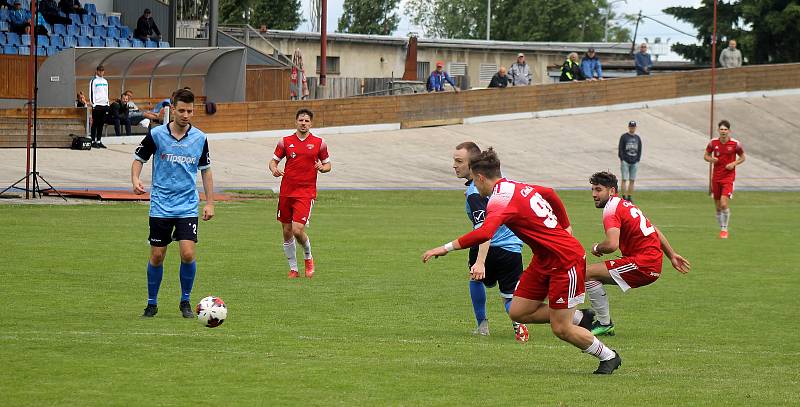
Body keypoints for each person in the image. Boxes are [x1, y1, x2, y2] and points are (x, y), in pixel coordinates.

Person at [422, 148, 622, 375]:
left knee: (561, 328)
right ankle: (579, 315)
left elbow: (485, 232)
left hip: (566, 261)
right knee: (518, 311)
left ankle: (608, 356)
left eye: (476, 185)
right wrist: (564, 225)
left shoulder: (499, 199)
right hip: (544, 259)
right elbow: (550, 192)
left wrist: (445, 248)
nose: (475, 190)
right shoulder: (516, 186)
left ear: (479, 177)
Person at [132, 88, 215, 319]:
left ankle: (185, 301)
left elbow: (206, 172)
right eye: (181, 110)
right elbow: (138, 159)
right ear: (172, 110)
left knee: (188, 254)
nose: (185, 115)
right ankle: (152, 303)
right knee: (157, 255)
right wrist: (135, 179)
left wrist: (210, 202)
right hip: (160, 205)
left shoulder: (200, 138)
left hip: (187, 205)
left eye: (189, 111)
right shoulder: (157, 135)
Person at [585, 171, 691, 336]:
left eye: (598, 190)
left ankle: (600, 323)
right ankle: (598, 321)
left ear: (611, 191)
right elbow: (653, 229)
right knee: (588, 274)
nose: (594, 194)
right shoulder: (625, 205)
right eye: (592, 190)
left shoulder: (611, 209)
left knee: (586, 273)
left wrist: (597, 248)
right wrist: (671, 255)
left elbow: (612, 245)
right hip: (648, 262)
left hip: (643, 264)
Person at [452, 142, 528, 342]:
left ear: (472, 166)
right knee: (510, 297)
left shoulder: (474, 193)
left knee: (475, 278)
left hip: (488, 248)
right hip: (512, 249)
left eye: (459, 161)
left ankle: (482, 325)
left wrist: (480, 261)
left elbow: (484, 229)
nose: (454, 165)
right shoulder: (502, 183)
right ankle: (518, 324)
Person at [269, 109, 332, 279]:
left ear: (311, 123)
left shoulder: (319, 143)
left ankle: (308, 257)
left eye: (306, 121)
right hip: (287, 192)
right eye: (301, 120)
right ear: (296, 122)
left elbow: (328, 165)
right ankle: (293, 269)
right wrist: (274, 169)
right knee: (287, 230)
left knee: (297, 230)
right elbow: (273, 160)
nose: (303, 123)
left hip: (305, 192)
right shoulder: (285, 141)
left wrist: (322, 168)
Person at [704, 120, 746, 239]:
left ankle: (724, 229)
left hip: (728, 177)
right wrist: (711, 159)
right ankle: (721, 227)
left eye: (725, 129)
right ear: (718, 130)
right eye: (721, 129)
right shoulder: (713, 143)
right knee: (717, 207)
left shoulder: (735, 144)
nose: (723, 131)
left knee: (723, 203)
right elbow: (705, 156)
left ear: (729, 131)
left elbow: (743, 157)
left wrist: (734, 163)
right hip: (716, 177)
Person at [618, 120, 642, 202]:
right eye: (631, 127)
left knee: (632, 180)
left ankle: (629, 196)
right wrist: (622, 159)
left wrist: (638, 159)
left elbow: (639, 149)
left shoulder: (637, 138)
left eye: (633, 127)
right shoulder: (624, 137)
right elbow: (620, 148)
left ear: (635, 128)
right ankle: (624, 196)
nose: (632, 128)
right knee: (624, 179)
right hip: (625, 161)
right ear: (629, 127)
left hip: (634, 161)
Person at [88, 65, 109, 149]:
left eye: (102, 71)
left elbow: (106, 92)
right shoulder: (94, 81)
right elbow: (91, 93)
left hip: (104, 105)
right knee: (95, 123)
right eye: (100, 71)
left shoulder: (105, 81)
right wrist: (93, 104)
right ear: (97, 71)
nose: (101, 72)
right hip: (97, 105)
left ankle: (99, 140)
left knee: (101, 124)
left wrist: (107, 102)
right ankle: (93, 141)